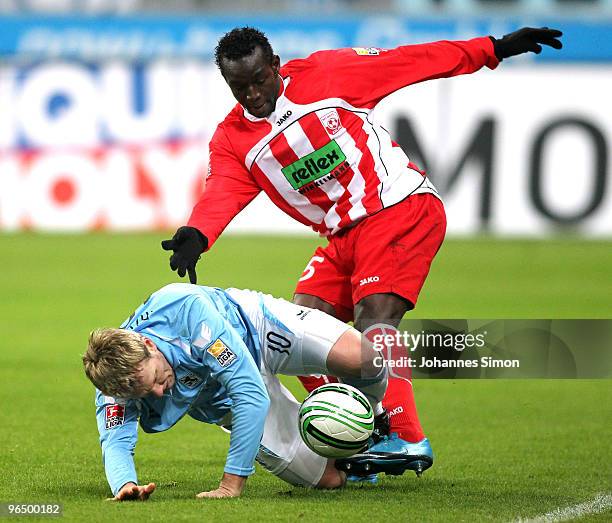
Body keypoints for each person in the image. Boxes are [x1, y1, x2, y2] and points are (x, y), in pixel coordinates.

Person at [160, 26, 563, 479]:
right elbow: (222, 192)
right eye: (240, 88)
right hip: (342, 237)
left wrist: (491, 49)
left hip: (397, 206)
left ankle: (405, 436)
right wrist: (197, 233)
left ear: (275, 66)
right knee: (294, 332)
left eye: (259, 79)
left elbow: (412, 60)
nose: (252, 94)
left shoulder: (328, 74)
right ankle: (357, 439)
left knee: (374, 319)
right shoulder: (234, 139)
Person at [82, 282, 416, 500]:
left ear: (149, 344)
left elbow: (251, 393)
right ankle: (351, 451)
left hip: (257, 328)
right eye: (146, 393)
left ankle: (373, 418)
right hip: (221, 399)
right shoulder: (116, 383)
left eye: (155, 378)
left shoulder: (185, 311)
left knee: (366, 357)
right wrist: (125, 485)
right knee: (330, 480)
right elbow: (115, 442)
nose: (157, 393)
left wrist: (231, 484)